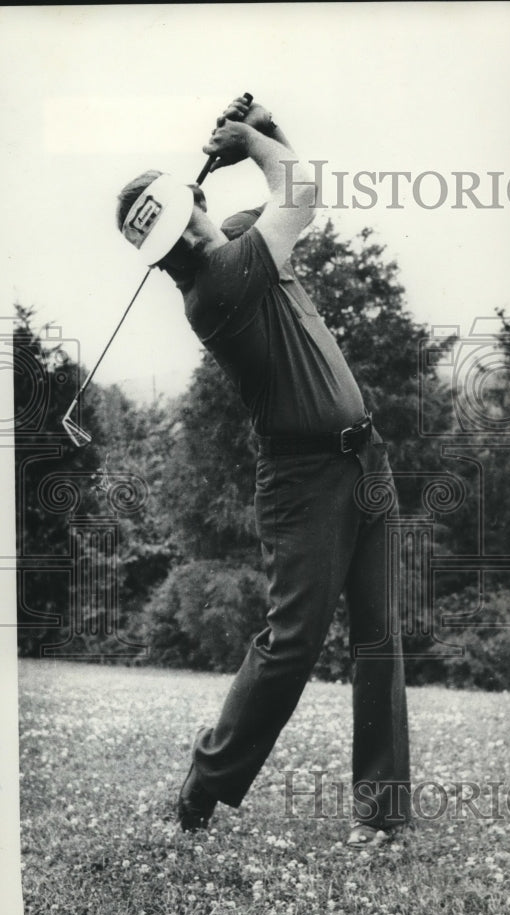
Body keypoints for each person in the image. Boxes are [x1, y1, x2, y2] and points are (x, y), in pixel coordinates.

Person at [117, 96, 411, 851]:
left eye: (186, 216)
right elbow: (303, 197)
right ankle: (203, 784)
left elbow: (293, 181)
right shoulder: (214, 286)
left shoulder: (243, 239)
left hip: (363, 457)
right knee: (293, 642)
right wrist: (250, 139)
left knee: (378, 637)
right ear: (166, 257)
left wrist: (268, 132)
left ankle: (380, 815)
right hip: (301, 480)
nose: (190, 234)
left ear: (197, 201)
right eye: (175, 237)